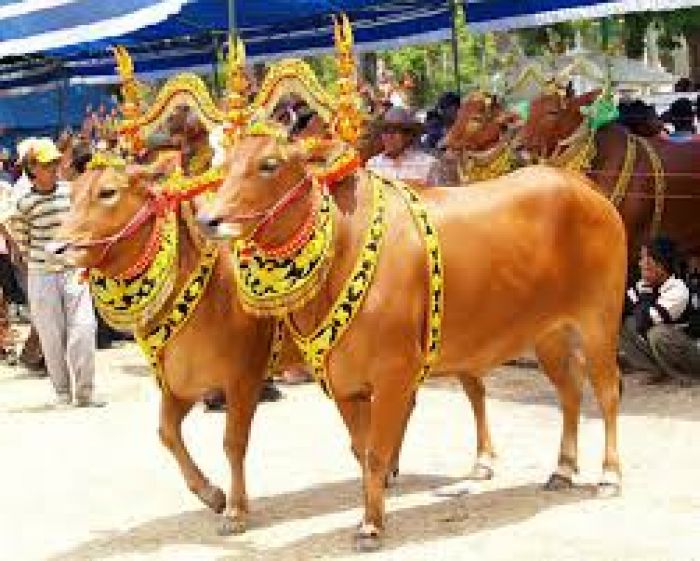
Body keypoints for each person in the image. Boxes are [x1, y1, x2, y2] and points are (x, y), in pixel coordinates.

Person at [10, 138, 103, 407]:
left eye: (55, 163)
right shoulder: (24, 204)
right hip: (42, 275)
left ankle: (85, 393)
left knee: (84, 329)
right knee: (50, 336)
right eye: (47, 164)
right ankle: (62, 392)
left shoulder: (71, 192)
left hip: (74, 271)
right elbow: (22, 240)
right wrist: (39, 259)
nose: (53, 167)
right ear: (33, 169)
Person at [619, 236, 700, 385]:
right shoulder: (646, 284)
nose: (640, 263)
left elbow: (644, 321)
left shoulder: (677, 290)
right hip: (676, 347)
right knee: (621, 323)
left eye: (645, 259)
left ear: (660, 265)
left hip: (694, 351)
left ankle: (687, 376)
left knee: (658, 334)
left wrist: (643, 295)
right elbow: (622, 306)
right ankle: (655, 370)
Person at [366, 106, 441, 187]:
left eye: (395, 131)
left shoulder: (428, 163)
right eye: (386, 131)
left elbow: (437, 196)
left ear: (408, 135)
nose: (389, 136)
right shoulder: (373, 164)